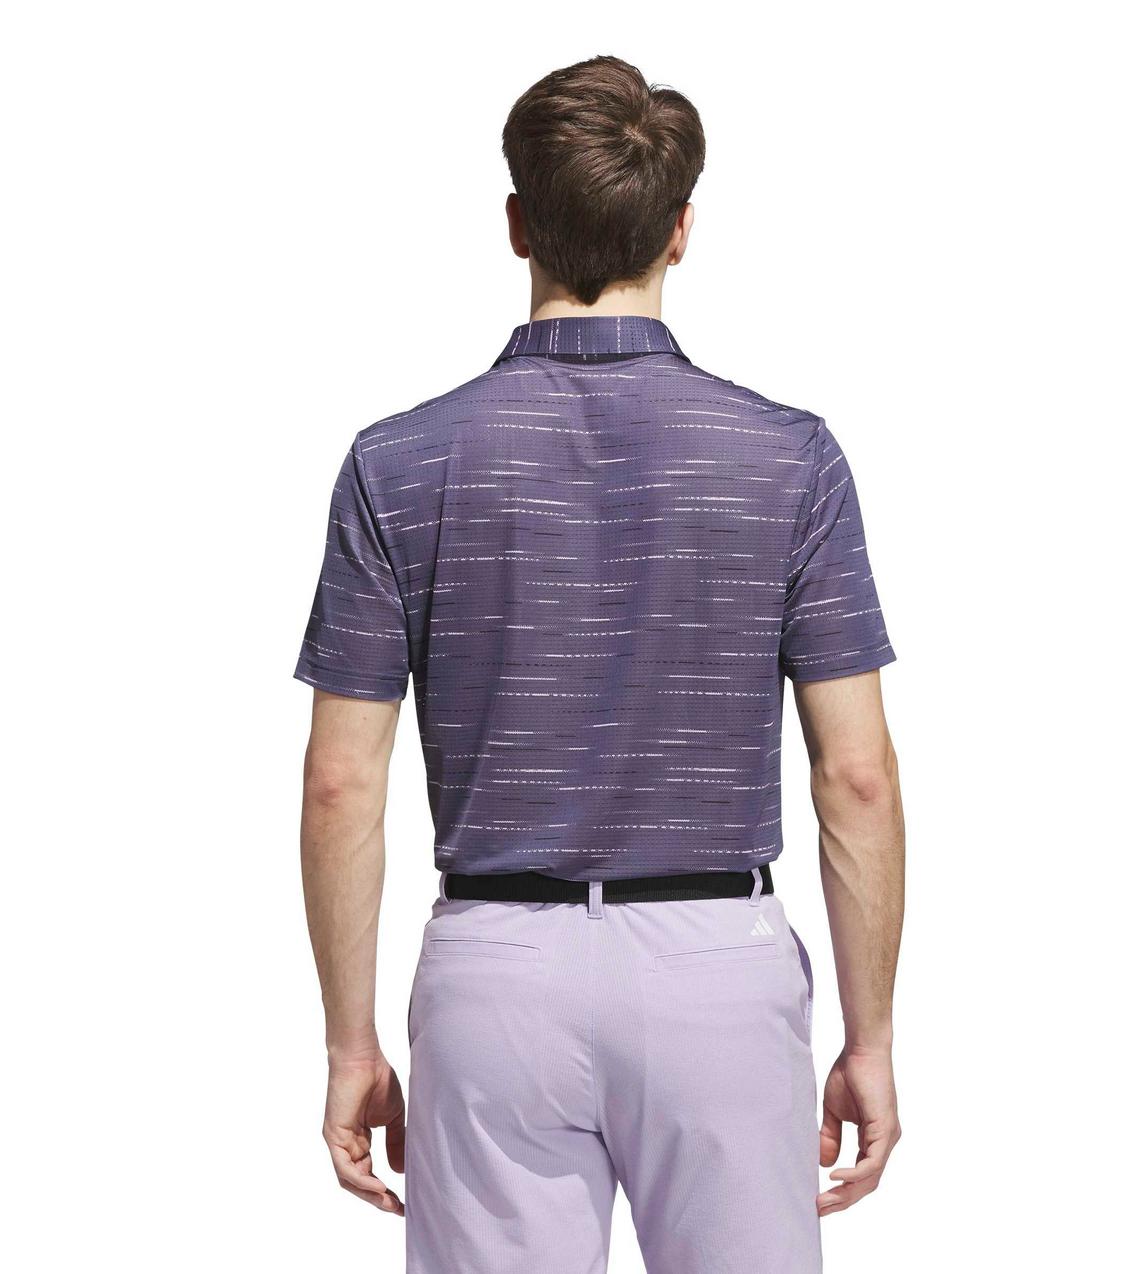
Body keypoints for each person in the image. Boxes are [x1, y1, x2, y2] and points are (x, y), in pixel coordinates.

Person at [296, 54, 905, 1274]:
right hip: (717, 967)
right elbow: (855, 779)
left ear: (516, 223)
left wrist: (350, 1041)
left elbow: (339, 783)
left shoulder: (397, 464)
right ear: (680, 230)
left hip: (493, 968)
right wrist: (871, 1035)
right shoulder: (787, 459)